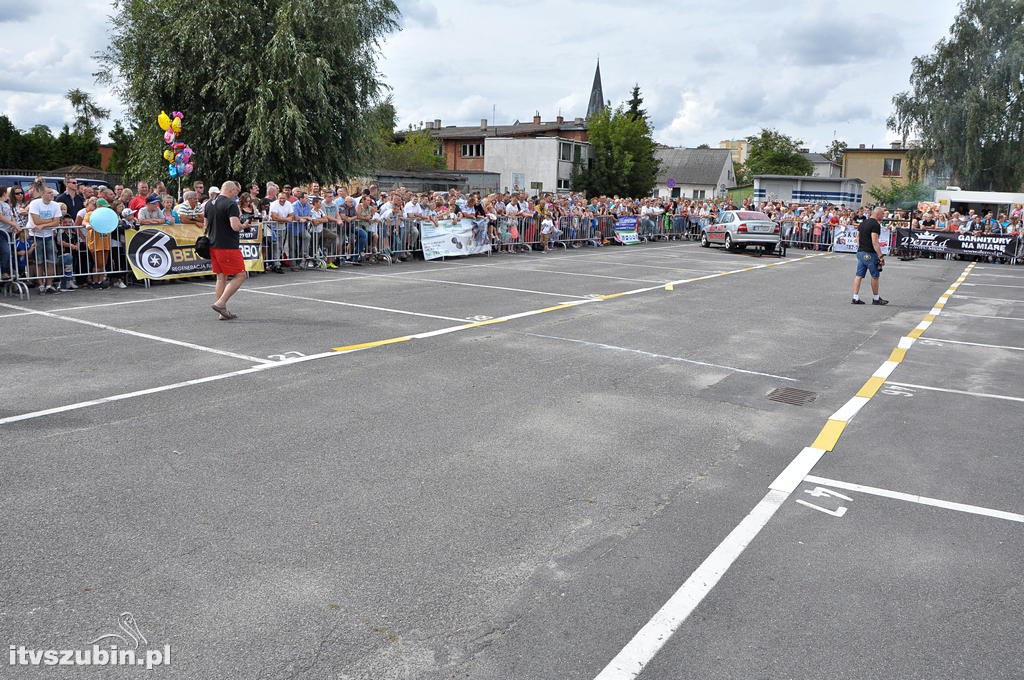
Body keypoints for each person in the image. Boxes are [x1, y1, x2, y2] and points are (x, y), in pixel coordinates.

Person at [205, 181, 245, 320]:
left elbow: (205, 224)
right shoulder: (230, 204)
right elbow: (234, 226)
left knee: (220, 276)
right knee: (241, 275)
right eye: (236, 192)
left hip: (213, 244)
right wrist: (243, 225)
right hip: (228, 245)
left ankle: (221, 312)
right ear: (231, 190)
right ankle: (221, 303)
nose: (236, 195)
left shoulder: (209, 203)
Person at [851, 206, 889, 305]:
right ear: (878, 214)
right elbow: (875, 241)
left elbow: (857, 238)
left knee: (859, 275)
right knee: (875, 275)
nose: (883, 216)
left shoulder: (863, 223)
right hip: (870, 254)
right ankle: (876, 299)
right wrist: (880, 256)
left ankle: (855, 297)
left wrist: (861, 248)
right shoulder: (875, 225)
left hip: (861, 252)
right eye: (882, 214)